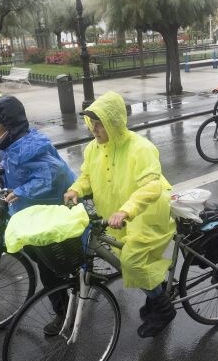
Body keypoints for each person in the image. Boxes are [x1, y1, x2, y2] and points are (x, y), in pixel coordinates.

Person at [63, 91, 177, 338]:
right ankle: (155, 294)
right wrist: (76, 189)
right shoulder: (94, 148)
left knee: (132, 260)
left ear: (114, 121)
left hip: (147, 212)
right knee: (124, 257)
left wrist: (127, 210)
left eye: (100, 122)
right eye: (91, 122)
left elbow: (152, 186)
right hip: (118, 214)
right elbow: (87, 176)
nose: (94, 128)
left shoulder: (140, 148)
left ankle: (164, 308)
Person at [0, 95, 77, 334]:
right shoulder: (13, 142)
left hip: (50, 209)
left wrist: (22, 191)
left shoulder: (30, 147)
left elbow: (50, 173)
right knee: (42, 257)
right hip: (33, 210)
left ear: (9, 124)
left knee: (48, 265)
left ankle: (64, 311)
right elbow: (15, 165)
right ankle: (69, 284)